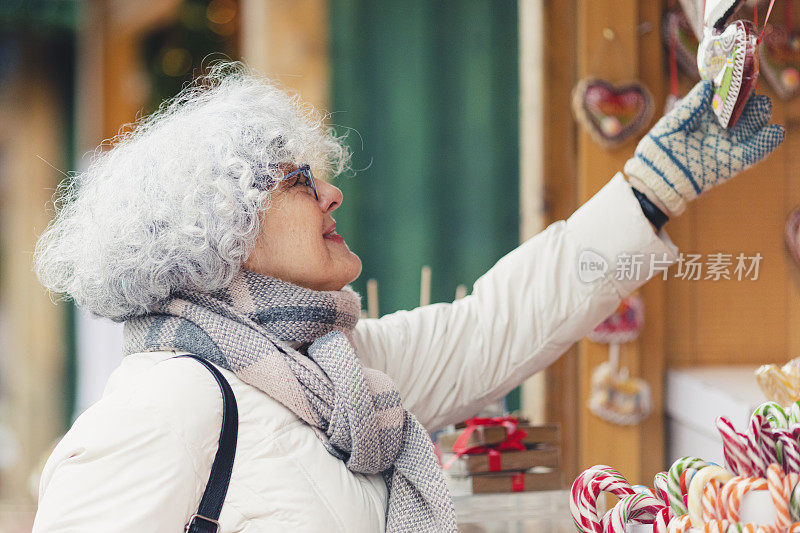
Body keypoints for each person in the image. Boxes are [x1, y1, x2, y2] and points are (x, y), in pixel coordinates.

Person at [30, 62, 783, 532]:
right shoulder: (164, 407)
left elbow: (495, 324)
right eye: (299, 182)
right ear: (224, 228)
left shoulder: (336, 370)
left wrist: (654, 185)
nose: (331, 193)